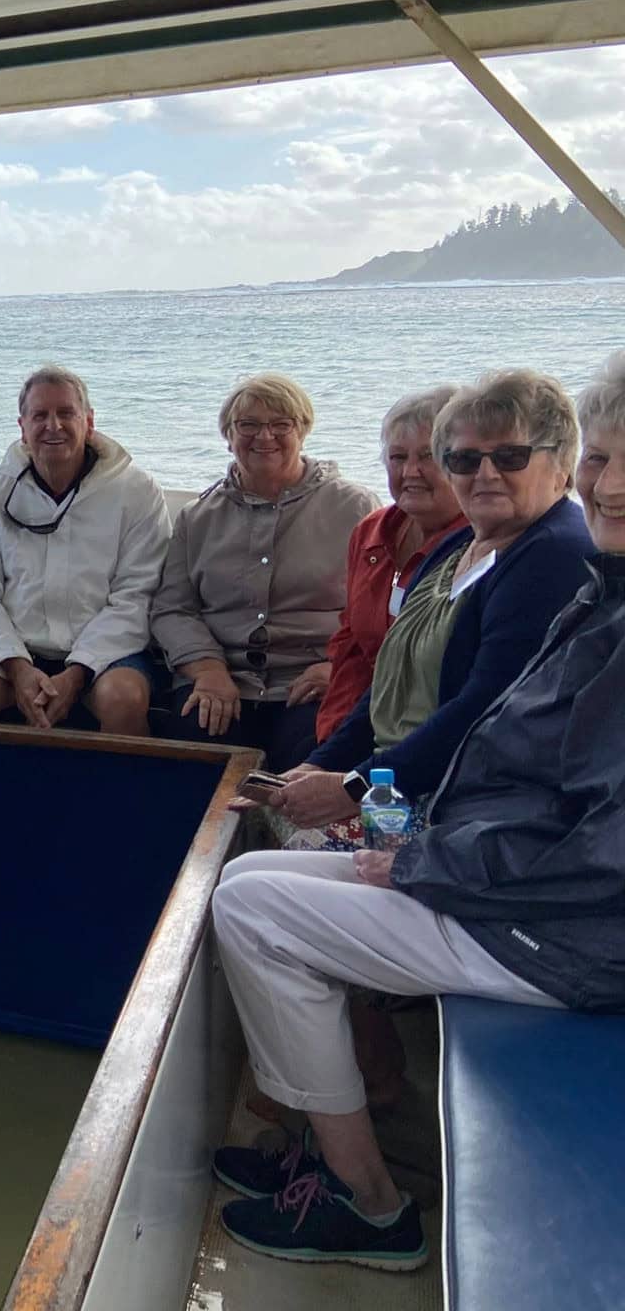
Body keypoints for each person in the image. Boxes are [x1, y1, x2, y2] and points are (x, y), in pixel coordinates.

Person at [206, 351, 625, 1271]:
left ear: (546, 463)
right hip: (501, 871)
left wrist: (416, 847)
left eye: (507, 459)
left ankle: (371, 1202)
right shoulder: (591, 580)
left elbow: (601, 850)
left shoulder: (557, 564)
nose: (610, 484)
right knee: (252, 873)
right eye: (603, 458)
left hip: (559, 932)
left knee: (249, 904)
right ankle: (326, 1141)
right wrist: (372, 798)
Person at [249, 371, 594, 849]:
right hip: (403, 784)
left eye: (510, 457)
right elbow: (389, 684)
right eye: (465, 459)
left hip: (459, 809)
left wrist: (357, 787)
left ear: (562, 465)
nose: (485, 474)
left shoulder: (553, 555)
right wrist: (322, 763)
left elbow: (482, 709)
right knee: (248, 830)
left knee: (254, 872)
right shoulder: (459, 546)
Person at [151, 374, 378, 768]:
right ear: (228, 435)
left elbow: (377, 605)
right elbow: (174, 608)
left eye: (281, 424)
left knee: (316, 752)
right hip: (223, 678)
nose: (264, 436)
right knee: (194, 753)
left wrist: (339, 668)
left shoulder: (354, 507)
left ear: (302, 431)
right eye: (249, 425)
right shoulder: (198, 517)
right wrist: (207, 669)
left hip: (313, 679)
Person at [0, 365, 169, 735]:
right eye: (40, 416)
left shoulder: (137, 493)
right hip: (12, 653)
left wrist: (77, 673)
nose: (53, 426)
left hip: (107, 656)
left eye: (66, 414)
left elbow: (137, 597)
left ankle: (120, 793)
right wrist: (17, 666)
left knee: (124, 699)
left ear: (89, 422)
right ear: (22, 428)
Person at [311, 386, 466, 746]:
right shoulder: (372, 532)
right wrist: (332, 735)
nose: (411, 471)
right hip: (359, 719)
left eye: (428, 456)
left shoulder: (475, 544)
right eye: (398, 457)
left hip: (425, 733)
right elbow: (350, 643)